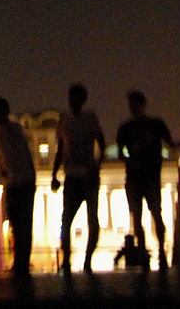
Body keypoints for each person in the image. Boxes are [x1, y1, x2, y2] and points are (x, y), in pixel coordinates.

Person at [115, 90, 174, 269]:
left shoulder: (138, 126)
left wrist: (130, 160)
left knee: (150, 213)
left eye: (134, 104)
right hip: (142, 176)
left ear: (142, 105)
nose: (132, 108)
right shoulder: (143, 126)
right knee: (145, 214)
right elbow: (170, 144)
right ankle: (150, 252)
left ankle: (155, 252)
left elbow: (170, 143)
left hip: (145, 176)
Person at [50, 83, 105, 273]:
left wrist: (96, 167)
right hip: (72, 177)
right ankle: (67, 259)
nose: (71, 101)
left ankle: (87, 260)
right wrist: (54, 174)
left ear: (82, 100)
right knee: (66, 220)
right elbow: (60, 150)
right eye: (70, 97)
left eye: (75, 98)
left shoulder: (90, 119)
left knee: (91, 220)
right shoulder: (64, 120)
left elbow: (102, 144)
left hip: (87, 176)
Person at [0, 96, 36, 274]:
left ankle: (22, 262)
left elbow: (20, 155)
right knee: (17, 223)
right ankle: (20, 261)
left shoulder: (13, 129)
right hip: (14, 182)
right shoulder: (0, 132)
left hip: (22, 181)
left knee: (23, 223)